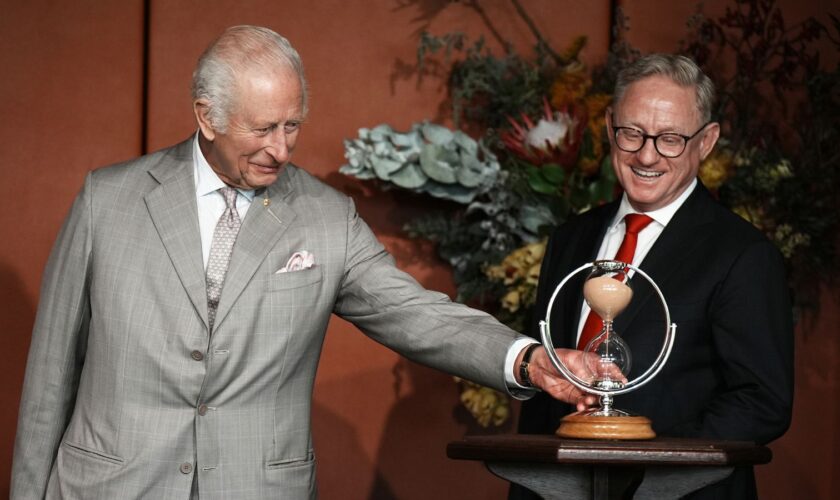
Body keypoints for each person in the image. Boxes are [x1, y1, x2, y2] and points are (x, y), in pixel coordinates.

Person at [11, 26, 594, 499]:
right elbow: (49, 377)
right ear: (207, 116)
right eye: (263, 128)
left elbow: (416, 314)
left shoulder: (325, 217)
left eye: (292, 126)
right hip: (110, 486)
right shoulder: (105, 200)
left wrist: (527, 359)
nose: (282, 149)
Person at [512, 54, 794, 500]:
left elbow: (762, 402)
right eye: (632, 133)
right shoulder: (569, 239)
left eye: (670, 139)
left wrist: (647, 462)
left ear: (707, 141)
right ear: (609, 127)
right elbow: (545, 387)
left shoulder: (744, 255)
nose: (647, 155)